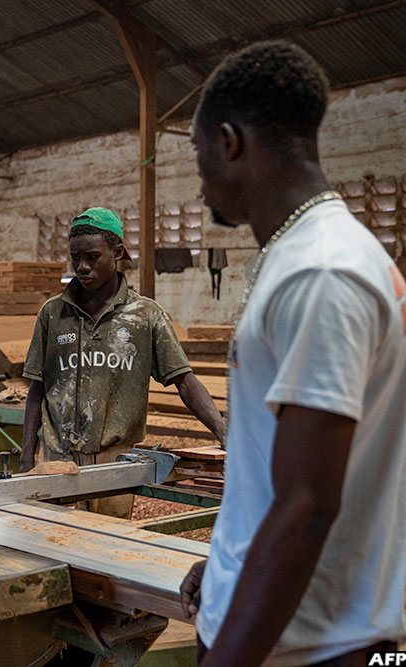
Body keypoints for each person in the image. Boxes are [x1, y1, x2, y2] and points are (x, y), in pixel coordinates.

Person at [179, 41, 406, 665]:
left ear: (228, 142)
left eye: (197, 155)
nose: (199, 182)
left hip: (301, 645)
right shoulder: (310, 257)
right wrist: (229, 564)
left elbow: (307, 505)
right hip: (289, 625)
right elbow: (286, 473)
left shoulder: (321, 272)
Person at [20, 207, 225, 517]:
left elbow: (184, 381)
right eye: (75, 258)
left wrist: (223, 431)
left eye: (92, 257)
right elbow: (38, 388)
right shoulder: (52, 314)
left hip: (115, 463)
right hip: (56, 456)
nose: (82, 267)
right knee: (52, 542)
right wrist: (26, 460)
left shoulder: (145, 316)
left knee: (107, 548)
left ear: (117, 252)